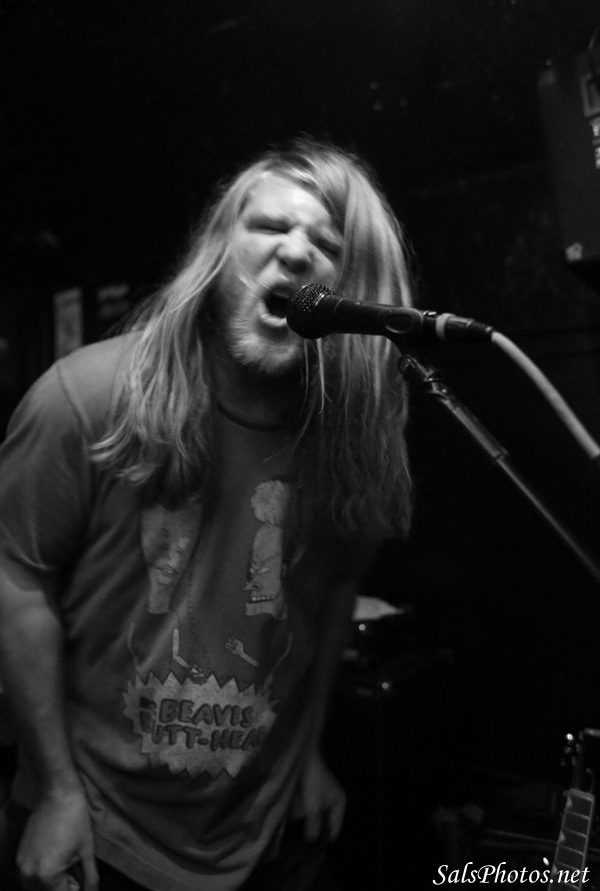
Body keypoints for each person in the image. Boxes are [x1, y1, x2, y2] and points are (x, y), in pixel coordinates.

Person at [0, 138, 414, 891]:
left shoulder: (353, 442)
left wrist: (309, 753)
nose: (297, 252)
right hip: (100, 830)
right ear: (219, 254)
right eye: (270, 227)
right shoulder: (86, 397)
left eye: (328, 245)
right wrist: (54, 791)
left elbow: (332, 595)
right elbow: (15, 577)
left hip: (261, 837)